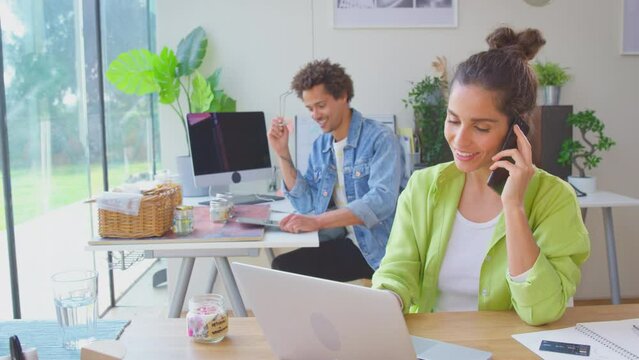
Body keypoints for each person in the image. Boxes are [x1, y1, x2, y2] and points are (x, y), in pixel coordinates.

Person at [372, 27, 590, 326]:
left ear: (518, 130)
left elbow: (541, 310)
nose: (459, 140)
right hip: (431, 348)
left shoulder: (554, 199)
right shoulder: (423, 186)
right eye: (453, 120)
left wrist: (514, 206)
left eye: (481, 127)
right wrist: (384, 302)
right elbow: (398, 270)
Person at [267, 59, 404, 282]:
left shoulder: (380, 138)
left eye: (321, 106)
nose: (315, 115)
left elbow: (381, 201)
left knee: (288, 271)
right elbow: (306, 204)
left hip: (380, 250)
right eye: (310, 108)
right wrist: (283, 152)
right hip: (350, 242)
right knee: (282, 267)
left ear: (343, 96)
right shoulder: (321, 146)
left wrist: (319, 221)